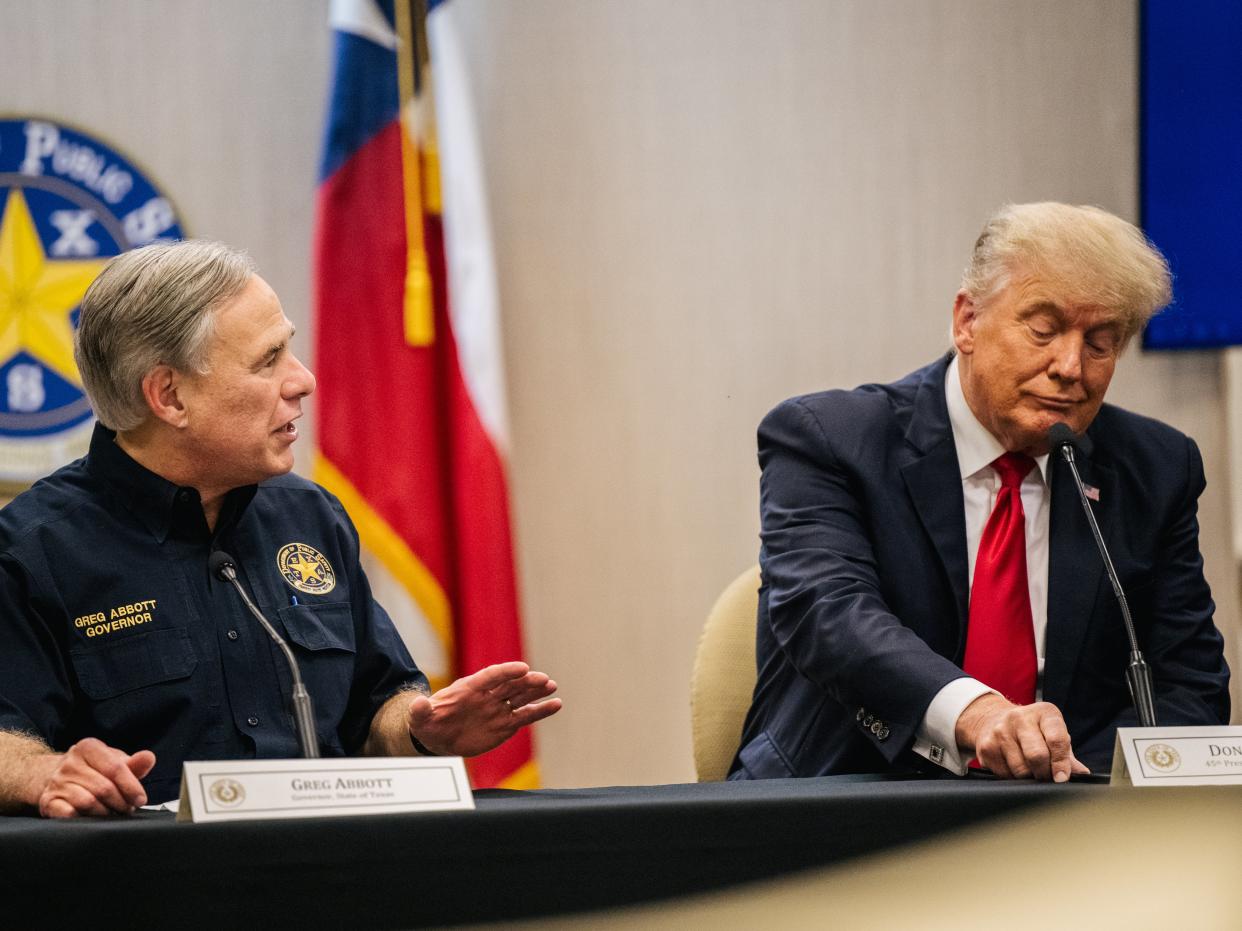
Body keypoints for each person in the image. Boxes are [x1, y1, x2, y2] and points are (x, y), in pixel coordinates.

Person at [0, 241, 561, 817]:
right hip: (150, 890)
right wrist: (45, 771)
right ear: (169, 396)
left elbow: (375, 713)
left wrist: (423, 731)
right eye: (268, 360)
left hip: (327, 880)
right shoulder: (32, 547)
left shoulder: (311, 516)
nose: (304, 380)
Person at [731, 202, 1230, 783]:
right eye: (1042, 329)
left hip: (1066, 828)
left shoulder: (1156, 468)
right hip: (849, 807)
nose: (1070, 366)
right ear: (967, 321)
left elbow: (1187, 682)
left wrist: (1088, 791)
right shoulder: (831, 439)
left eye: (1100, 343)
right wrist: (977, 712)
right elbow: (831, 616)